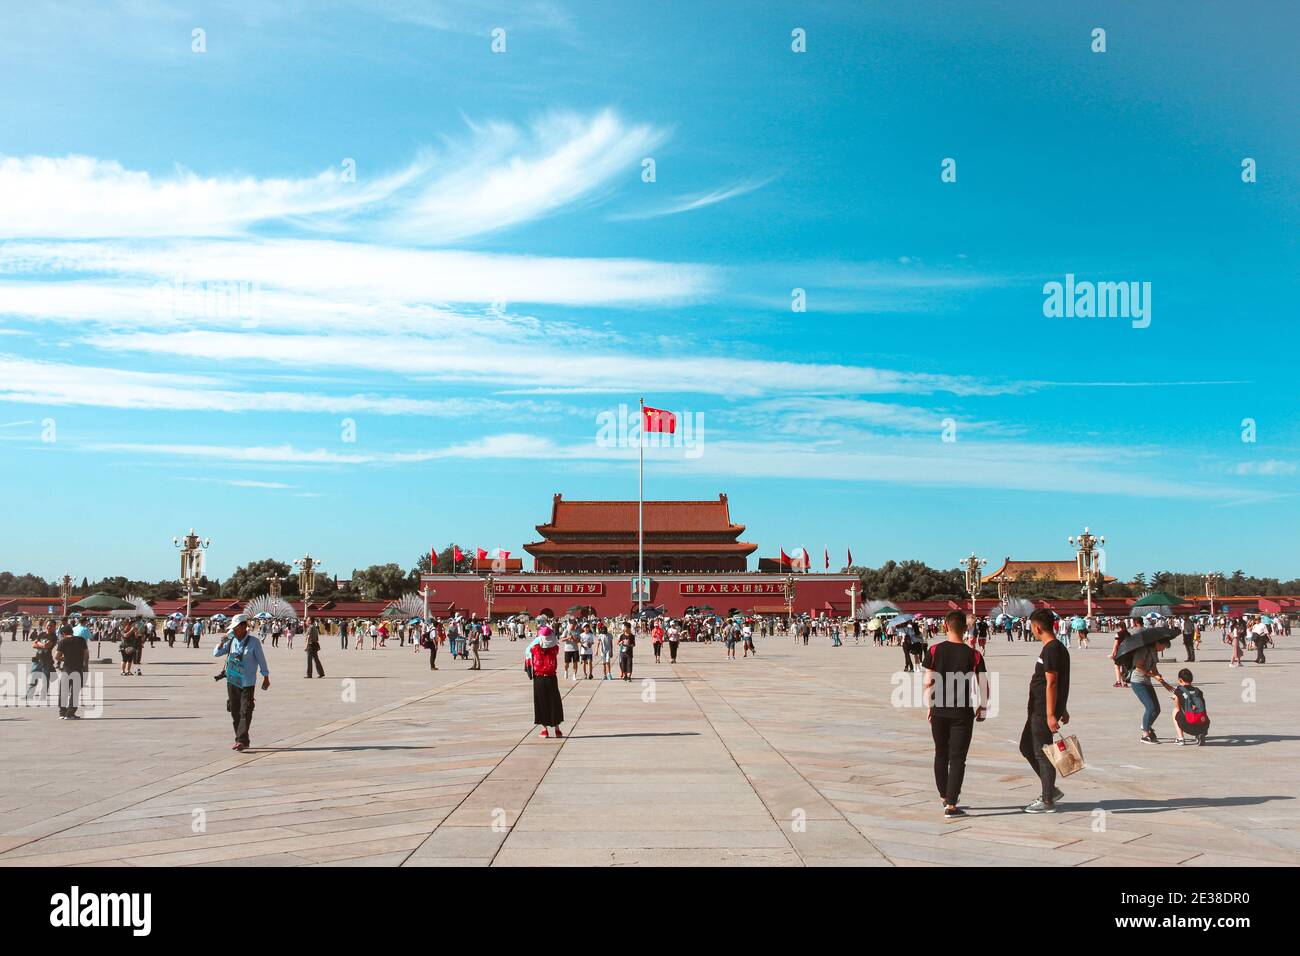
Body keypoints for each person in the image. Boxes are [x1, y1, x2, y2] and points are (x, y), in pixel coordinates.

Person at [924, 610, 988, 818]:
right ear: (966, 628)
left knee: (940, 753)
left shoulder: (934, 650)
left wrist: (929, 706)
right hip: (962, 712)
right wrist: (983, 706)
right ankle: (951, 804)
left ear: (945, 626)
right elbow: (984, 684)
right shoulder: (974, 654)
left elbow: (928, 682)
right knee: (958, 757)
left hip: (939, 710)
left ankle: (944, 795)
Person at [1020, 608, 1070, 813]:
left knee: (1042, 753)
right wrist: (1063, 707)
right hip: (1040, 708)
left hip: (1042, 710)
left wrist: (1052, 714)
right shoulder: (1056, 648)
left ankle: (1048, 799)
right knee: (1026, 747)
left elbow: (1052, 682)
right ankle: (1050, 789)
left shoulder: (1051, 649)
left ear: (1037, 627)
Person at [213, 614, 270, 752]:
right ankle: (243, 738)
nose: (234, 630)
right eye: (233, 628)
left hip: (248, 682)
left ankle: (240, 740)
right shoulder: (231, 641)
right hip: (232, 681)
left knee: (246, 710)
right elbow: (216, 653)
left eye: (237, 627)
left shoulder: (254, 642)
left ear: (244, 626)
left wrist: (266, 676)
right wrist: (222, 641)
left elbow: (261, 660)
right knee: (234, 711)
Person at [1128, 636, 1173, 744]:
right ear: (1157, 642)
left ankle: (1145, 725)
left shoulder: (1154, 652)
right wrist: (1153, 676)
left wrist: (1164, 683)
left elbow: (1154, 668)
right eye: (1163, 646)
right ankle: (1145, 735)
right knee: (1150, 707)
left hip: (1146, 682)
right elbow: (1139, 667)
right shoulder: (1143, 650)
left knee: (1157, 709)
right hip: (1138, 681)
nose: (1163, 649)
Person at [530, 626, 564, 738]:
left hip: (539, 677)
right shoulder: (555, 649)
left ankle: (544, 729)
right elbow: (554, 644)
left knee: (541, 702)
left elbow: (530, 649)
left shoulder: (535, 648)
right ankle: (557, 729)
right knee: (554, 701)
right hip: (551, 677)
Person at [53, 623, 88, 720]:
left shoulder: (63, 642)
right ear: (71, 632)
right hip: (78, 668)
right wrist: (86, 667)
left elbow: (56, 657)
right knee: (75, 692)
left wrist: (64, 659)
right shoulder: (81, 640)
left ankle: (62, 713)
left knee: (63, 690)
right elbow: (86, 655)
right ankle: (70, 713)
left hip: (67, 669)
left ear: (63, 633)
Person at [1170, 668, 1210, 746]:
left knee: (1175, 711)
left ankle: (1180, 739)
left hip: (1188, 725)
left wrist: (1176, 698)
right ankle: (1199, 735)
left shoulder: (1178, 690)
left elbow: (1178, 708)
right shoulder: (1198, 691)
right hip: (1204, 726)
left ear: (1180, 680)